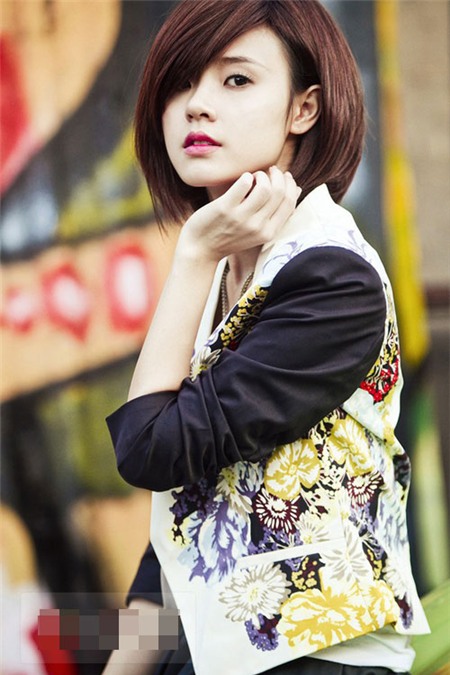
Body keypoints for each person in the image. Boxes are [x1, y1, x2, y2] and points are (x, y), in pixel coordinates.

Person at [104, 1, 429, 673]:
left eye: (236, 80)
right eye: (180, 83)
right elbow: (185, 517)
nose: (196, 106)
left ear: (303, 108)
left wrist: (193, 255)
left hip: (317, 656)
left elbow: (149, 448)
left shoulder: (332, 277)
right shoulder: (231, 269)